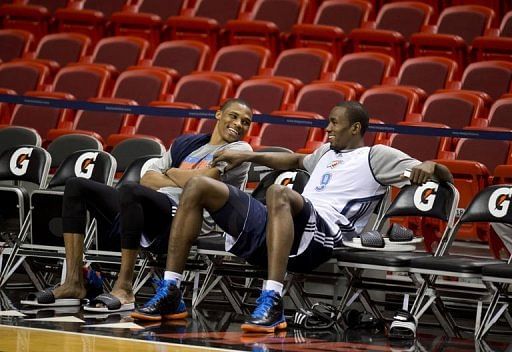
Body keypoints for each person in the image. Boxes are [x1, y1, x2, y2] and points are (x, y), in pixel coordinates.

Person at [131, 101, 453, 330]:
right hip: (285, 223)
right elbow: (291, 161)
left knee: (278, 193)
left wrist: (432, 166)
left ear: (355, 128)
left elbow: (444, 176)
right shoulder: (326, 153)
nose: (327, 128)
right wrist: (248, 154)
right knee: (200, 185)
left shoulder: (376, 156)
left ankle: (272, 300)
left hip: (325, 234)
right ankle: (172, 291)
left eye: (334, 123)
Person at [23, 98, 254, 312]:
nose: (238, 124)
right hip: (153, 207)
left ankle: (124, 287)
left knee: (130, 191)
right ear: (218, 114)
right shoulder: (187, 143)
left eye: (245, 122)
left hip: (187, 218)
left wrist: (171, 172)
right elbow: (147, 178)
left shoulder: (240, 150)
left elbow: (200, 182)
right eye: (233, 116)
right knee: (77, 186)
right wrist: (180, 177)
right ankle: (74, 281)